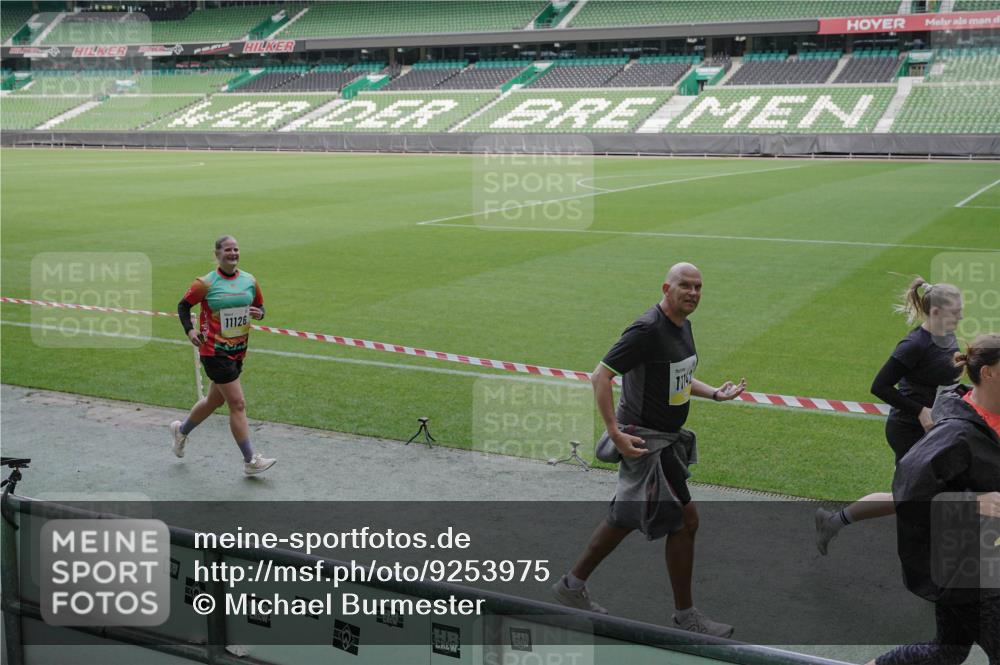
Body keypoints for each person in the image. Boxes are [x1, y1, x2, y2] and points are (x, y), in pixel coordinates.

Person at [550, 262, 746, 638]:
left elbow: (678, 377)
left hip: (664, 439)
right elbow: (601, 376)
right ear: (666, 288)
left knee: (625, 517)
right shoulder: (646, 329)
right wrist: (615, 434)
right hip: (645, 440)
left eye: (699, 287)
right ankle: (686, 616)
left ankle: (571, 586)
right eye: (685, 286)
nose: (693, 293)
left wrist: (715, 394)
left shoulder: (682, 325)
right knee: (686, 520)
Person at [870, 334, 1000, 665]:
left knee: (948, 650)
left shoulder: (991, 418)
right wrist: (972, 503)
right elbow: (908, 490)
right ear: (989, 373)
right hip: (968, 568)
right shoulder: (956, 433)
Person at [816, 278, 962, 554]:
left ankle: (833, 522)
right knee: (921, 496)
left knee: (910, 497)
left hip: (933, 430)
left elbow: (946, 379)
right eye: (956, 311)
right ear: (936, 313)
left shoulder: (946, 336)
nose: (961, 315)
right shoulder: (914, 345)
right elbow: (879, 386)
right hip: (908, 430)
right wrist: (920, 411)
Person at [169, 235, 276, 476]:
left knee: (214, 401)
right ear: (217, 254)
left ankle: (181, 431)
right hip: (214, 351)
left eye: (236, 249)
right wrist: (190, 330)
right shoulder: (205, 283)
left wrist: (259, 314)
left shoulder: (249, 280)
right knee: (237, 404)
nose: (233, 254)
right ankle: (250, 460)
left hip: (237, 351)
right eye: (228, 250)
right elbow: (183, 306)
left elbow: (260, 307)